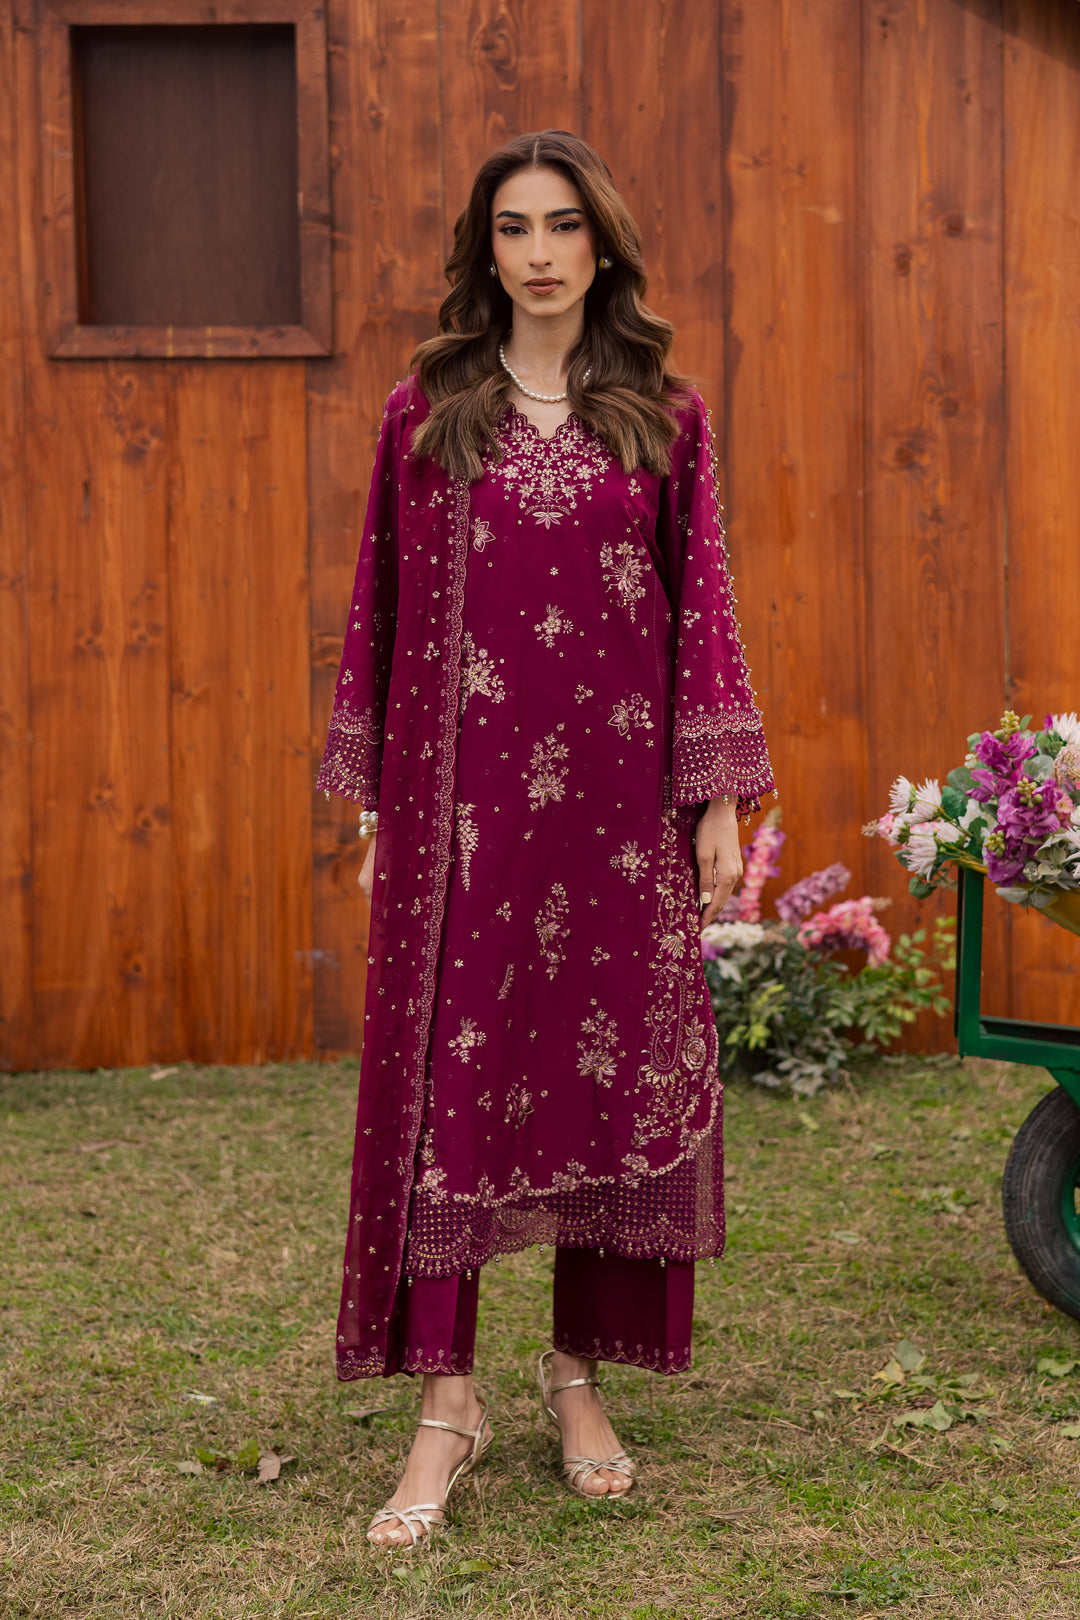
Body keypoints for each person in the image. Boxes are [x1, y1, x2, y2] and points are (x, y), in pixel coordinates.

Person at [317, 129, 775, 1548]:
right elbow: (382, 612)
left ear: (602, 243)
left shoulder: (665, 417)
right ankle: (446, 1401)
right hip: (464, 811)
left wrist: (714, 797)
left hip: (619, 815)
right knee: (454, 1087)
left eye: (563, 224)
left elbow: (703, 611)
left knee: (603, 1074)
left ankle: (577, 1376)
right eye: (513, 227)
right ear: (485, 249)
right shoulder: (426, 414)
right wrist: (383, 809)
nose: (538, 252)